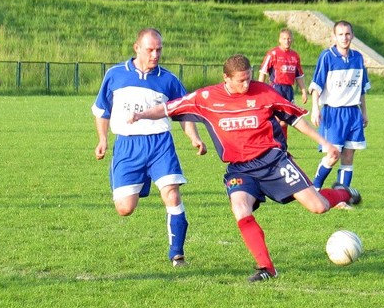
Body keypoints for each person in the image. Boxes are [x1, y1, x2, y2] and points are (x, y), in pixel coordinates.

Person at [128, 54, 361, 282]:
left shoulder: (264, 92)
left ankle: (344, 192)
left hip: (273, 161)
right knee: (240, 207)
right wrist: (141, 115)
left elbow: (295, 118)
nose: (246, 84)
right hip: (240, 168)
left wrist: (324, 143)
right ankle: (266, 268)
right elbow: (168, 108)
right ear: (226, 78)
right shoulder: (207, 97)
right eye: (241, 80)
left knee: (318, 206)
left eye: (249, 78)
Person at [92, 28, 207, 267]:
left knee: (172, 193)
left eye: (159, 49)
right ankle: (132, 178)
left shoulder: (169, 80)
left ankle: (177, 254)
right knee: (125, 208)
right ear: (137, 48)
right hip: (127, 145)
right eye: (150, 49)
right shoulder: (115, 75)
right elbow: (102, 111)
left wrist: (193, 138)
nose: (155, 55)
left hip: (159, 143)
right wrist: (102, 139)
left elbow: (183, 113)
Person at [309, 20, 370, 190]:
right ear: (334, 37)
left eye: (347, 34)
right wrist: (315, 108)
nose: (345, 38)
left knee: (348, 156)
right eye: (341, 34)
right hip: (333, 113)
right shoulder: (327, 57)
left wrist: (364, 112)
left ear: (352, 35)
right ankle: (315, 189)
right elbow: (316, 85)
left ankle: (341, 197)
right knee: (333, 155)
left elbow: (362, 88)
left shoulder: (358, 58)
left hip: (353, 113)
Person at [258, 28, 308, 140]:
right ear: (280, 40)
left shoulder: (295, 56)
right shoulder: (273, 54)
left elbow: (299, 75)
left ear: (292, 40)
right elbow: (263, 72)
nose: (287, 41)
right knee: (276, 119)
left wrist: (304, 91)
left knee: (286, 120)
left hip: (288, 90)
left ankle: (283, 147)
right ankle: (273, 144)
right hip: (276, 88)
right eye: (284, 39)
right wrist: (259, 90)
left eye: (289, 38)